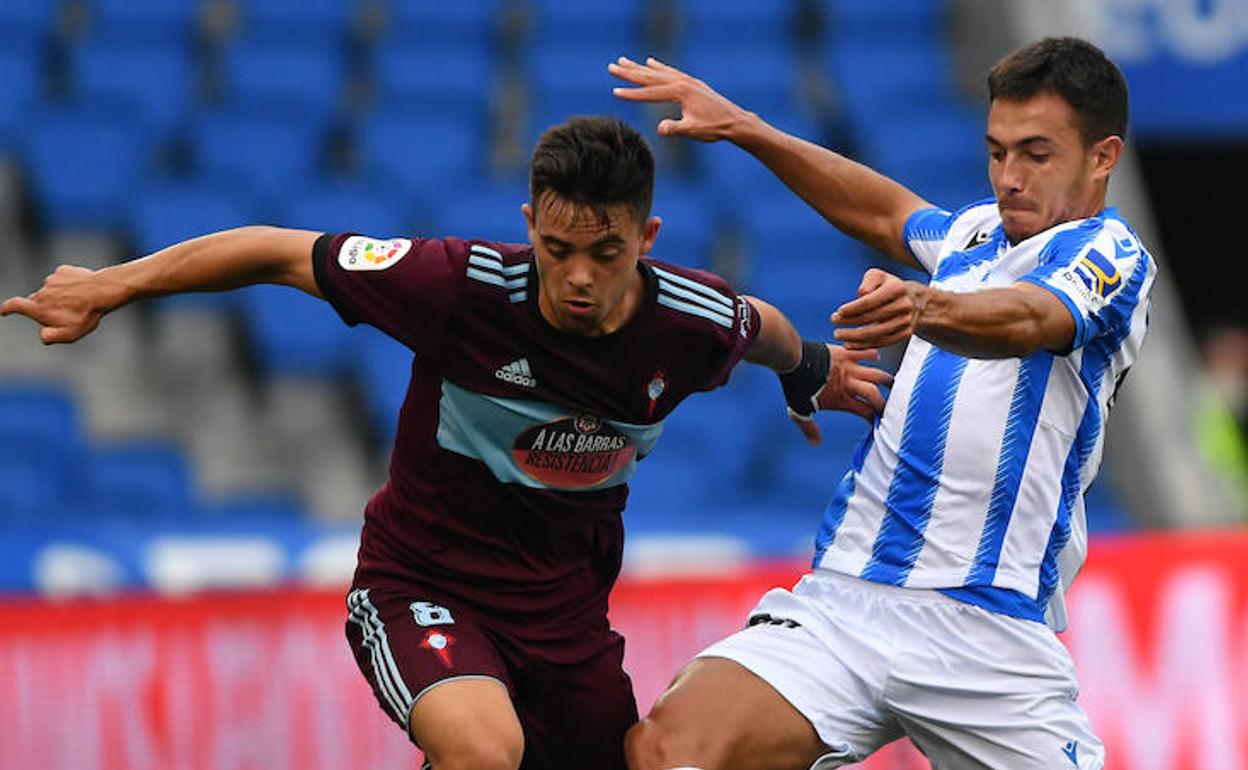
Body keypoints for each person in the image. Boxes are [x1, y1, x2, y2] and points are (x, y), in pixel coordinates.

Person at [1, 116, 891, 770]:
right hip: (421, 585)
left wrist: (808, 368)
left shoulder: (690, 320)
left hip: (565, 619)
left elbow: (762, 326)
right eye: (555, 247)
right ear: (529, 226)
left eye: (606, 253)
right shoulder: (458, 288)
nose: (577, 277)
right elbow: (275, 249)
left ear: (646, 238)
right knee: (483, 749)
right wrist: (109, 286)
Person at [609, 36, 1153, 770]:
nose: (1009, 177)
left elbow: (1031, 320)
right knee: (667, 748)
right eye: (996, 152)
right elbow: (883, 211)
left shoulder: (1111, 258)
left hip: (984, 632)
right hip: (848, 602)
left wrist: (924, 308)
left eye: (1035, 153)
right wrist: (747, 127)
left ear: (1102, 155)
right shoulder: (972, 236)